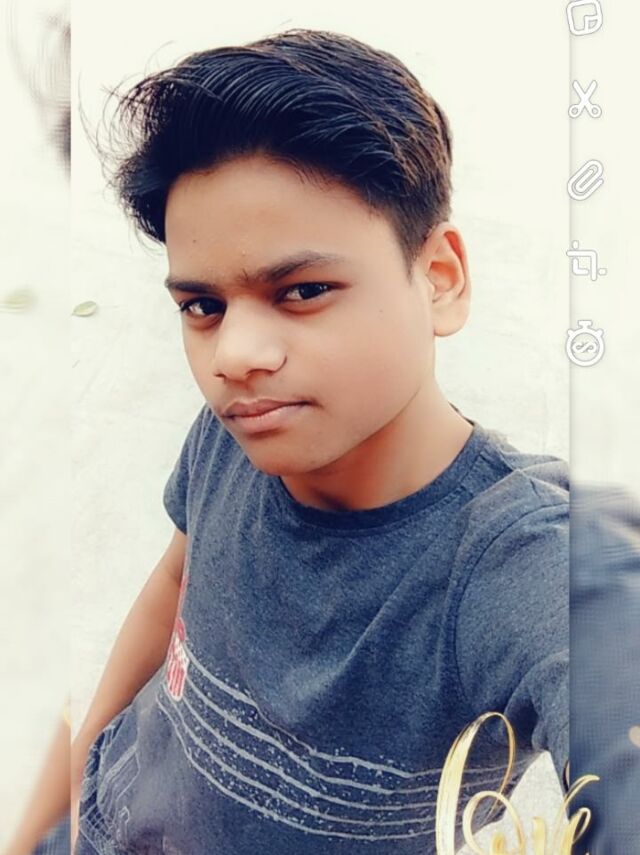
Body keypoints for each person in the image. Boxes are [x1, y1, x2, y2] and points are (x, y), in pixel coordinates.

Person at [71, 28, 570, 853]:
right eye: (202, 306)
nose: (233, 357)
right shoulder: (235, 436)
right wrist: (75, 783)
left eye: (302, 290)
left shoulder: (513, 560)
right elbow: (175, 577)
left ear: (440, 278)